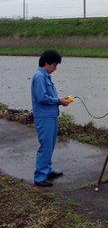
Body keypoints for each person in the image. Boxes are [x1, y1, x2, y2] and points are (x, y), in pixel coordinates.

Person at [31, 50, 70, 187]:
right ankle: (40, 177)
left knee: (50, 144)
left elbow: (48, 97)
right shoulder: (39, 77)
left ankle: (47, 170)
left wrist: (59, 101)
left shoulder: (45, 76)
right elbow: (42, 98)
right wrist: (58, 100)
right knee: (45, 146)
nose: (55, 68)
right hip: (44, 117)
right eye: (54, 65)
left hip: (50, 116)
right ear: (46, 63)